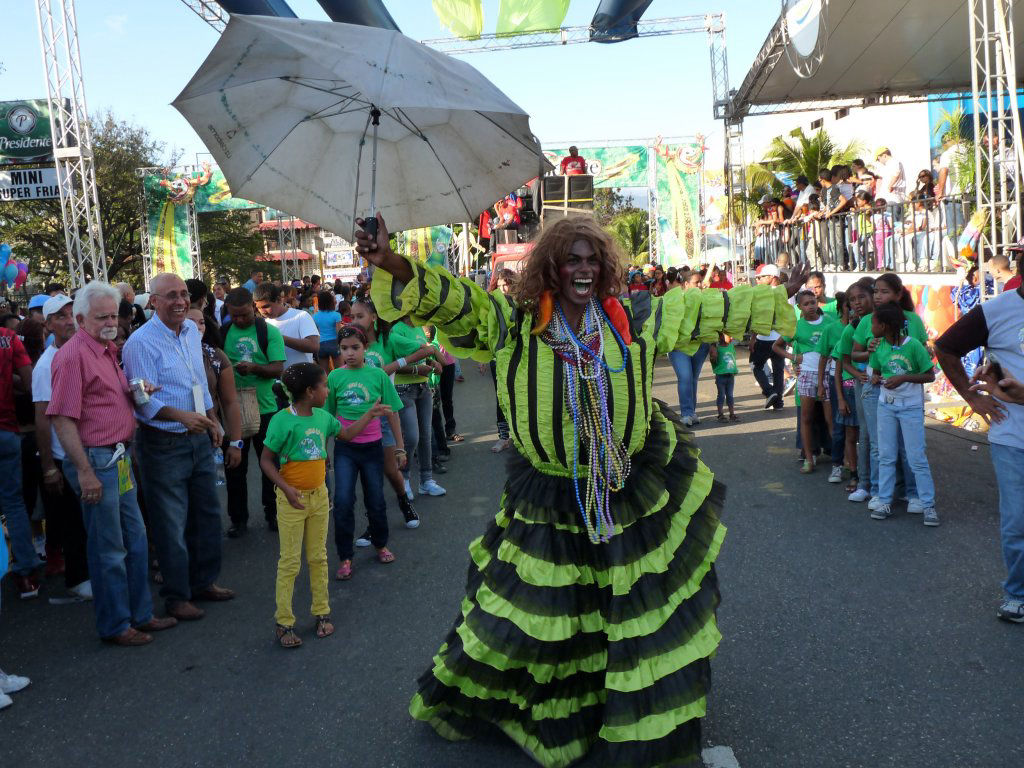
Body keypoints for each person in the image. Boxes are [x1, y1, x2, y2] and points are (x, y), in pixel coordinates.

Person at [355, 211, 802, 768]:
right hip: (549, 492)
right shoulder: (512, 324)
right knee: (551, 612)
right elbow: (453, 302)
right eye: (572, 259)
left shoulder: (630, 319)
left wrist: (781, 301)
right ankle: (557, 710)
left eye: (592, 259)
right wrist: (391, 261)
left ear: (605, 267)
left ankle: (624, 709)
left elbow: (700, 309)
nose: (583, 268)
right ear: (552, 267)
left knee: (630, 606)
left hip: (626, 485)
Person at [47, 282, 178, 645]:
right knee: (109, 547)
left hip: (117, 457)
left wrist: (136, 390)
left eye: (113, 315)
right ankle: (116, 624)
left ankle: (140, 615)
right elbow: (62, 418)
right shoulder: (72, 356)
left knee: (134, 540)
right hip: (98, 459)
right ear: (78, 319)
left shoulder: (105, 349)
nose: (110, 323)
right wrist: (85, 472)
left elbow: (103, 398)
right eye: (101, 317)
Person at [122, 273, 236, 622]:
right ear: (153, 302)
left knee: (207, 515)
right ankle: (176, 596)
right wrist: (182, 417)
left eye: (183, 295)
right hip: (163, 442)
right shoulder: (140, 343)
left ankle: (203, 582)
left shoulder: (189, 331)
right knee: (170, 524)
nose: (179, 301)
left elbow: (197, 382)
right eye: (170, 295)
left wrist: (209, 419)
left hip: (199, 437)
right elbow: (140, 399)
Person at [935, 252, 1024, 621]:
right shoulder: (998, 310)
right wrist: (970, 397)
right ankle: (1017, 594)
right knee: (1017, 521)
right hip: (1013, 435)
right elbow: (945, 346)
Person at [259, 363, 339, 648]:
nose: (328, 390)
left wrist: (372, 413)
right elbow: (266, 460)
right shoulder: (282, 421)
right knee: (290, 562)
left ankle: (321, 612)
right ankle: (284, 622)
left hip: (319, 497)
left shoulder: (323, 417)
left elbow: (348, 434)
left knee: (319, 557)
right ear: (309, 391)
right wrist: (287, 488)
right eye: (325, 385)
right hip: (291, 500)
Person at [325, 325, 405, 580]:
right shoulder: (334, 377)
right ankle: (345, 556)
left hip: (373, 448)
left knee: (376, 500)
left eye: (355, 348)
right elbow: (327, 417)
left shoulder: (378, 375)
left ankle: (380, 544)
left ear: (365, 348)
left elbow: (392, 413)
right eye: (344, 349)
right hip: (345, 449)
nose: (349, 353)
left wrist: (400, 447)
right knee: (343, 502)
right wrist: (323, 450)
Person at [349, 297, 430, 530]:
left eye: (360, 316)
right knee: (367, 476)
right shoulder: (351, 343)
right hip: (357, 417)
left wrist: (395, 366)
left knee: (390, 469)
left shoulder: (388, 339)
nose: (354, 321)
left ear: (373, 318)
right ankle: (372, 527)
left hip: (385, 413)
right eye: (352, 317)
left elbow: (420, 351)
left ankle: (404, 499)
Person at [850, 273, 927, 514]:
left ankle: (912, 492)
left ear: (898, 294)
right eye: (876, 292)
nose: (878, 296)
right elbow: (855, 354)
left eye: (883, 292)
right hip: (876, 388)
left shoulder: (912, 320)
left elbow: (922, 353)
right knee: (879, 444)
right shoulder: (867, 321)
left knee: (908, 447)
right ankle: (878, 491)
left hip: (909, 390)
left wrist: (907, 369)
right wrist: (870, 349)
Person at [32, 295, 91, 601]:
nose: (69, 320)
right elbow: (43, 419)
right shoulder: (47, 364)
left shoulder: (82, 349)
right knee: (75, 521)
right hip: (65, 455)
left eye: (72, 313)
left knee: (89, 518)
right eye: (61, 316)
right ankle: (78, 579)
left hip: (91, 449)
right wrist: (49, 467)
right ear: (48, 324)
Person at [222, 287, 287, 537]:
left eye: (243, 315)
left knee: (269, 464)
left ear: (253, 307)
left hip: (265, 408)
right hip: (233, 409)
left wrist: (255, 368)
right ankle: (238, 519)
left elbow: (278, 368)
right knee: (234, 467)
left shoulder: (268, 331)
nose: (239, 320)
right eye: (234, 316)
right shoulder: (224, 331)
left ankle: (272, 513)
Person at [867, 303, 938, 525]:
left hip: (911, 408)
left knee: (916, 456)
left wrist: (904, 378)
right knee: (886, 455)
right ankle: (885, 501)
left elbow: (929, 376)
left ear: (886, 325)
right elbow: (875, 371)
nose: (871, 327)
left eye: (874, 323)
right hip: (886, 406)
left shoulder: (914, 346)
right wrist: (876, 379)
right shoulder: (878, 346)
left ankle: (928, 506)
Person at [774, 290, 836, 473]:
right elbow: (776, 346)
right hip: (806, 376)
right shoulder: (795, 326)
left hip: (827, 374)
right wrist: (793, 357)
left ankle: (840, 461)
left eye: (813, 302)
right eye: (806, 304)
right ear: (799, 307)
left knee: (831, 419)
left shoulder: (830, 324)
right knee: (806, 418)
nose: (811, 306)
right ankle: (809, 458)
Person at [0, 305, 38, 599]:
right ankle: (26, 574)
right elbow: (30, 383)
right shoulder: (9, 338)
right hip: (7, 430)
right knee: (13, 503)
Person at [391, 318, 446, 498]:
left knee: (425, 436)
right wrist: (417, 370)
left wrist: (433, 364)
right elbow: (393, 364)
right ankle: (405, 479)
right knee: (412, 437)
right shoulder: (396, 330)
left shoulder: (419, 329)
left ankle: (426, 480)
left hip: (423, 388)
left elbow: (426, 356)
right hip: (403, 390)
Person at [188, 308, 243, 457]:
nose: (198, 327)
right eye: (191, 323)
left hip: (211, 434)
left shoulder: (214, 355)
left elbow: (230, 401)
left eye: (201, 323)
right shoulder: (166, 353)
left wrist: (235, 443)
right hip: (175, 438)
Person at [670, 271, 711, 427]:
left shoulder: (705, 299)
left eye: (700, 282)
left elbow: (712, 322)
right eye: (696, 282)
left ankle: (691, 412)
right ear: (686, 284)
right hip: (679, 346)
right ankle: (686, 413)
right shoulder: (676, 300)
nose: (699, 285)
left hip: (700, 345)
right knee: (685, 378)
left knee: (692, 379)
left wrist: (713, 345)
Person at [254, 283, 320, 367]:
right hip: (277, 378)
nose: (262, 311)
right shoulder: (264, 324)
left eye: (266, 306)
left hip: (302, 376)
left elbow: (314, 346)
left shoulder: (301, 316)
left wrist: (278, 337)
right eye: (258, 308)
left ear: (279, 300)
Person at [750, 264, 787, 410]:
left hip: (764, 338)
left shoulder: (761, 294)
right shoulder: (785, 292)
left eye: (762, 277)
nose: (759, 280)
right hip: (781, 337)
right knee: (778, 371)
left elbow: (757, 317)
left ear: (772, 277)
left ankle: (769, 391)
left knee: (755, 365)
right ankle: (778, 402)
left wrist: (753, 338)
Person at [710, 332, 738, 421]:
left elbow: (733, 358)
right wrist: (713, 355)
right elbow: (713, 360)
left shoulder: (731, 346)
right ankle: (720, 414)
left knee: (730, 395)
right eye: (723, 335)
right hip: (720, 376)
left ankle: (732, 413)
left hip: (730, 376)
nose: (727, 337)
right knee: (721, 395)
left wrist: (734, 370)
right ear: (719, 337)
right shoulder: (716, 349)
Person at [312, 290, 343, 373]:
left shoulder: (315, 316)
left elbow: (315, 333)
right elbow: (338, 332)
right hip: (334, 343)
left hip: (320, 345)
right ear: (331, 301)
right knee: (339, 371)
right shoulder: (336, 315)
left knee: (325, 373)